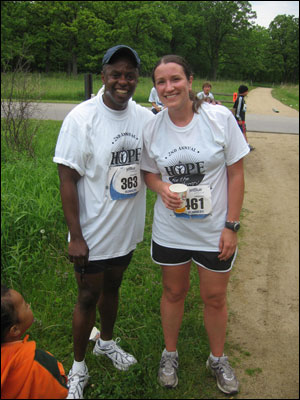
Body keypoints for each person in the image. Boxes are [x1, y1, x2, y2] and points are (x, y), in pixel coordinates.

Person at [141, 55, 250, 395]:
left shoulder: (219, 118)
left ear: (190, 81)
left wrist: (231, 225)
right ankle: (169, 354)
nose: (168, 87)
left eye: (175, 79)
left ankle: (217, 358)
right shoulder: (152, 126)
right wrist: (160, 189)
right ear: (156, 89)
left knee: (214, 297)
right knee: (174, 292)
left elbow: (236, 172)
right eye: (161, 82)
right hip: (172, 230)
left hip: (214, 230)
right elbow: (149, 172)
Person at [53, 45, 154, 399]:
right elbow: (67, 179)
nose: (123, 81)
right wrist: (75, 237)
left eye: (129, 74)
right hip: (92, 233)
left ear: (137, 78)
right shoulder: (81, 119)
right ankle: (78, 368)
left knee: (113, 289)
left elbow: (175, 123)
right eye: (116, 74)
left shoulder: (143, 117)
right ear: (103, 76)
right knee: (86, 296)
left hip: (124, 230)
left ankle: (106, 343)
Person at [1, 284, 68, 399]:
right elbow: (59, 391)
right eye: (25, 306)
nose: (28, 305)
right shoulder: (36, 361)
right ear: (15, 329)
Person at [233, 85, 254, 151]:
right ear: (244, 91)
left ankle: (244, 144)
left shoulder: (241, 98)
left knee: (242, 131)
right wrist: (239, 118)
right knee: (243, 132)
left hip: (241, 119)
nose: (247, 92)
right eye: (247, 91)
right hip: (240, 119)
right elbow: (238, 109)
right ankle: (246, 145)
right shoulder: (240, 99)